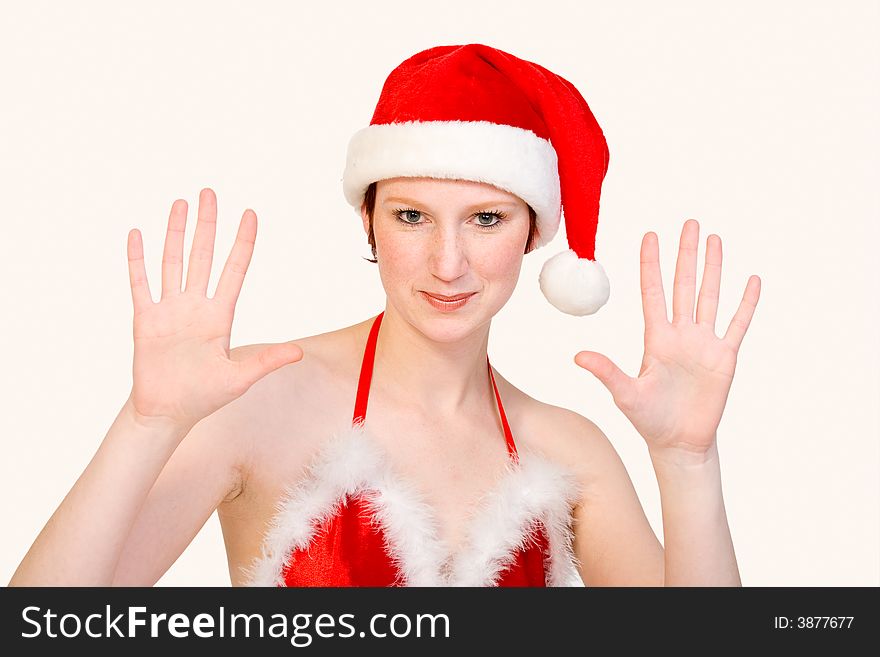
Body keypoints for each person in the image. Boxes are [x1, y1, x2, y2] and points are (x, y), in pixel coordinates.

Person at [9, 43, 760, 587]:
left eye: (487, 220)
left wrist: (687, 464)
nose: (447, 262)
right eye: (411, 215)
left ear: (534, 233)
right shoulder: (258, 401)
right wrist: (146, 426)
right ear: (367, 221)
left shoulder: (569, 449)